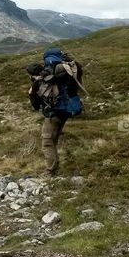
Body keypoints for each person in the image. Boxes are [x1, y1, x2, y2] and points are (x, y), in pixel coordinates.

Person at [27, 48, 85, 176]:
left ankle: (50, 171)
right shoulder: (61, 74)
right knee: (54, 139)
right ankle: (55, 166)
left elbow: (36, 106)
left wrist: (31, 92)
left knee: (47, 142)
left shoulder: (41, 81)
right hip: (66, 111)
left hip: (54, 113)